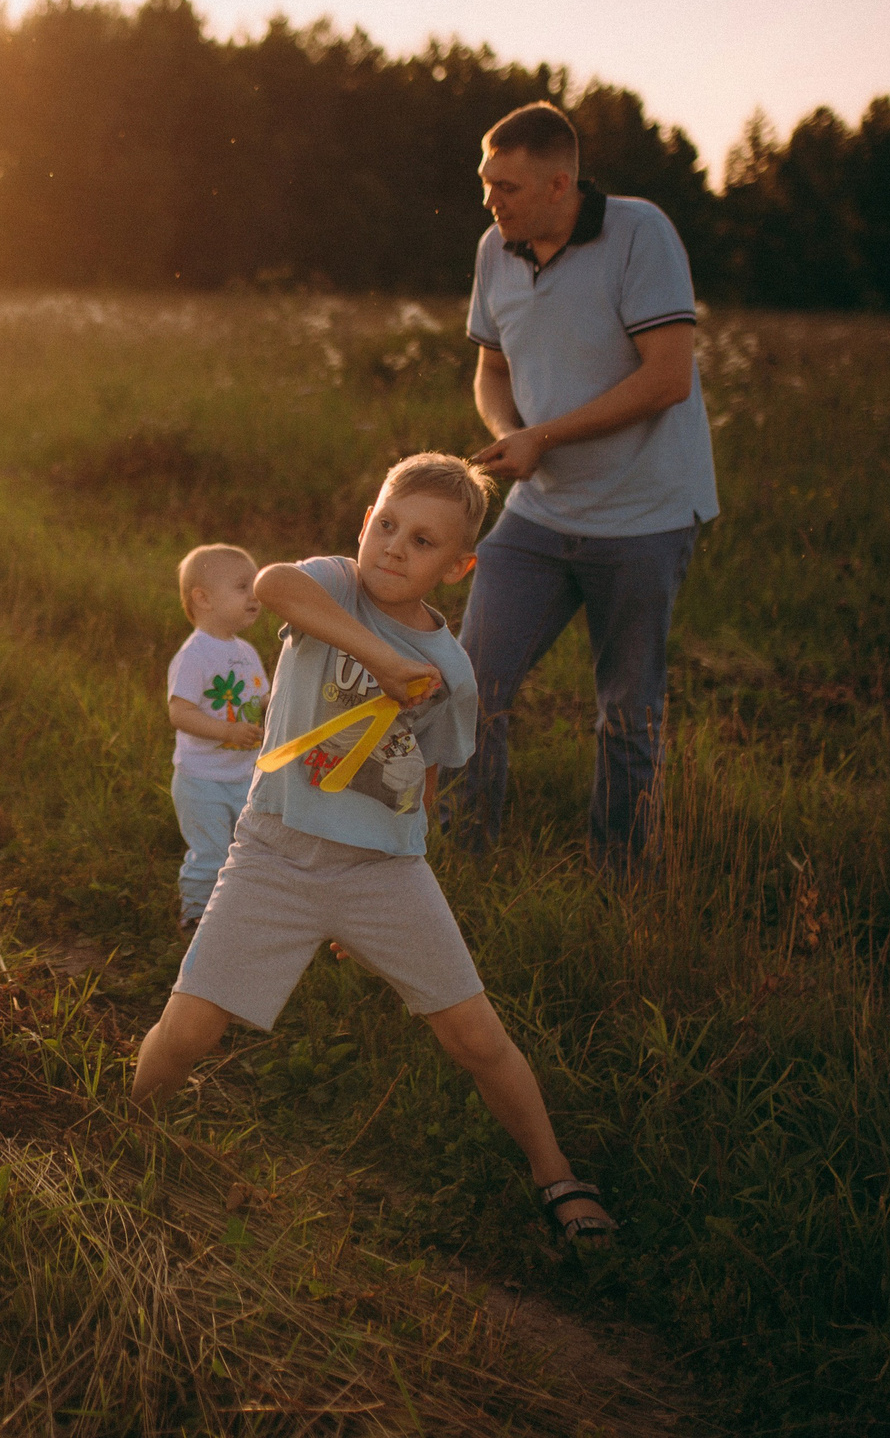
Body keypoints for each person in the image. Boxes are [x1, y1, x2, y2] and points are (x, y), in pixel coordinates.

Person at [132, 454, 617, 1251]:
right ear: (364, 523)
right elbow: (275, 585)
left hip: (383, 871)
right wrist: (385, 659)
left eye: (422, 541)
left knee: (476, 1036)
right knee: (187, 1029)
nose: (394, 547)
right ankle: (124, 1130)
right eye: (385, 525)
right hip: (273, 854)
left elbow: (421, 777)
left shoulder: (452, 670)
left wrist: (374, 907)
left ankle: (558, 1172)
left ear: (457, 567)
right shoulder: (331, 584)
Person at [457, 101, 716, 873]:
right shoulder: (495, 249)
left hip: (645, 514)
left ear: (558, 183)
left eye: (504, 185)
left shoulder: (641, 234)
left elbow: (668, 379)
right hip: (539, 514)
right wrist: (509, 430)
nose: (488, 200)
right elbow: (491, 367)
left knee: (626, 715)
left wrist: (544, 437)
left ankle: (622, 884)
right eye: (484, 182)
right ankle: (464, 866)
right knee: (470, 687)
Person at [166, 545, 270, 933]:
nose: (254, 596)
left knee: (246, 850)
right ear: (203, 599)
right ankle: (194, 917)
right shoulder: (195, 654)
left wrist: (278, 705)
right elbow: (179, 712)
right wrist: (227, 731)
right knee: (210, 852)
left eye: (255, 586)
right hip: (202, 780)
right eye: (243, 587)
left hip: (243, 775)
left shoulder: (245, 651)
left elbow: (261, 698)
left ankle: (234, 913)